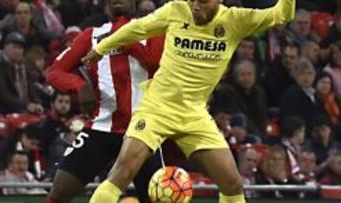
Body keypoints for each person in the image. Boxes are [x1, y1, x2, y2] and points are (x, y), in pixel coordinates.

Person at [82, 0, 296, 202]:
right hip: (157, 108)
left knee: (232, 183)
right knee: (122, 172)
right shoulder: (176, 10)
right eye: (192, 0)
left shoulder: (235, 20)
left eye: (202, 2)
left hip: (194, 114)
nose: (195, 7)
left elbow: (281, 15)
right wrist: (101, 48)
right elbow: (137, 28)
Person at [45, 0, 164, 202]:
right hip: (101, 127)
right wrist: (79, 86)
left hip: (142, 131)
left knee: (155, 198)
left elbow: (156, 61)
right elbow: (55, 72)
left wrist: (124, 36)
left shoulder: (154, 30)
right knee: (59, 191)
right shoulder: (91, 36)